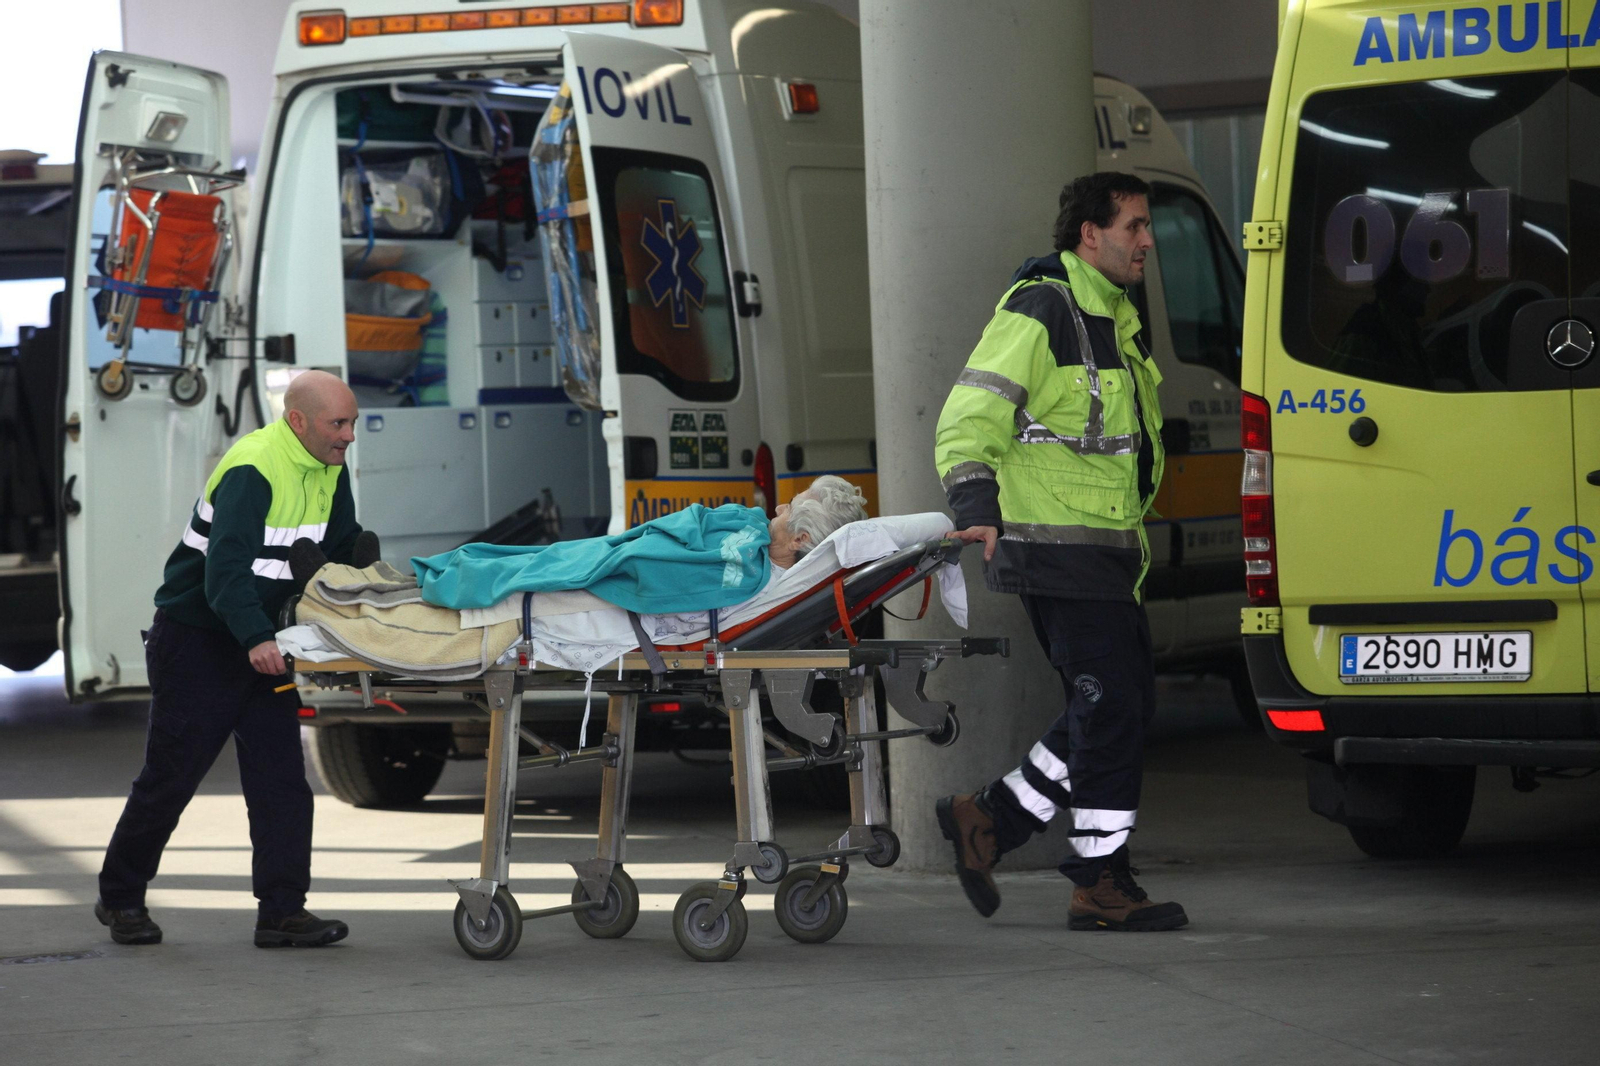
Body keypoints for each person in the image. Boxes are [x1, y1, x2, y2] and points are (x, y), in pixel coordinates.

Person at [932, 172, 1188, 932]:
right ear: (1090, 234)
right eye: (1134, 226)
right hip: (1056, 552)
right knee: (1110, 711)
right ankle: (1099, 882)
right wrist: (976, 509)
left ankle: (991, 819)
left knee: (1117, 704)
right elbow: (966, 418)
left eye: (1147, 227)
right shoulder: (1043, 309)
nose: (1147, 241)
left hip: (1107, 554)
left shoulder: (1114, 315)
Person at [96, 370, 377, 948]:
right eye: (339, 423)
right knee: (171, 778)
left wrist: (373, 583)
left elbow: (338, 545)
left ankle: (281, 912)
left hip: (261, 644)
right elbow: (224, 574)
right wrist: (257, 639)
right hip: (199, 642)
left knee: (281, 783)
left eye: (351, 422)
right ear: (298, 420)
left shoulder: (328, 463)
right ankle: (120, 897)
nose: (349, 435)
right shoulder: (253, 469)